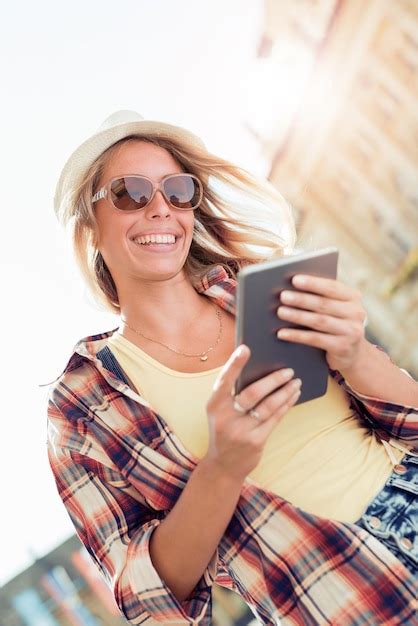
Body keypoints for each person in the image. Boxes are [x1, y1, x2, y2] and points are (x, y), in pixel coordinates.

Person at [45, 110, 418, 626]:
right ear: (90, 226)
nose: (160, 208)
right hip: (338, 596)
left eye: (177, 191)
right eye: (130, 193)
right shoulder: (83, 407)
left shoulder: (260, 291)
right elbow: (147, 597)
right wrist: (222, 465)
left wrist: (356, 354)